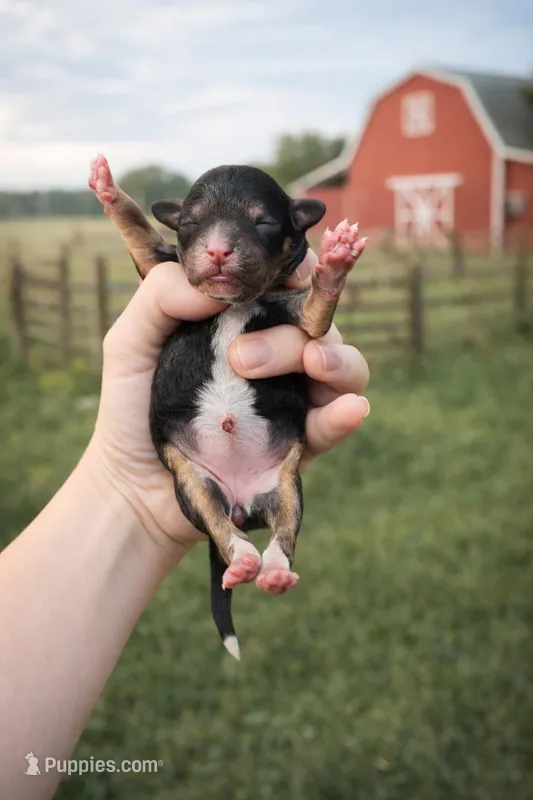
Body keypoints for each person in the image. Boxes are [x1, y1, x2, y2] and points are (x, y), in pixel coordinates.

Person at [0, 254, 370, 799]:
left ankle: (280, 551)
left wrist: (329, 280)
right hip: (191, 449)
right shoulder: (188, 286)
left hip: (266, 447)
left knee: (287, 464)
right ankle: (238, 542)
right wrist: (118, 205)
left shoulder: (277, 293)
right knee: (237, 469)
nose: (223, 251)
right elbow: (149, 251)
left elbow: (312, 319)